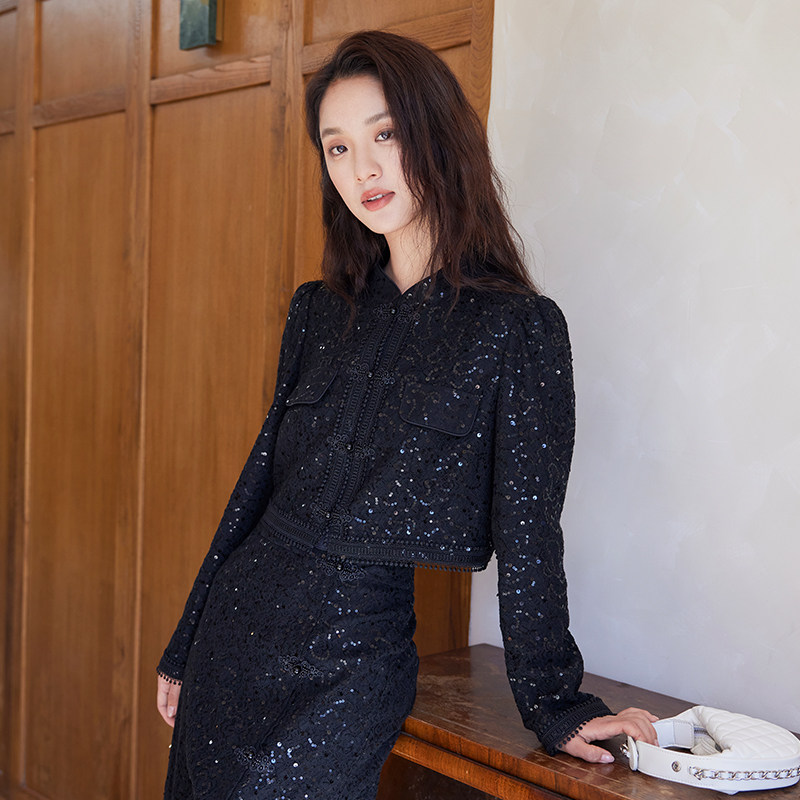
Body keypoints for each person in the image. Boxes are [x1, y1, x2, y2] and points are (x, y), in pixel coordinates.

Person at [156, 30, 657, 800]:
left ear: (436, 134)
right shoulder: (319, 312)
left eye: (383, 135)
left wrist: (555, 703)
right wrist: (185, 640)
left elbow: (529, 531)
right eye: (338, 147)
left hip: (354, 665)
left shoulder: (515, 329)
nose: (362, 168)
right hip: (237, 638)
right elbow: (258, 484)